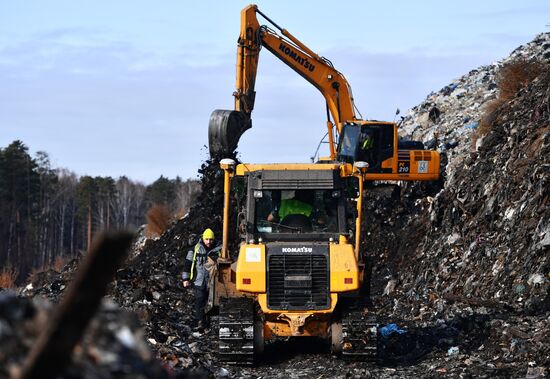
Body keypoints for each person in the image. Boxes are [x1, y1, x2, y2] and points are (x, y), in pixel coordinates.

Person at [182, 228, 221, 330]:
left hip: (214, 282)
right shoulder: (195, 249)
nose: (209, 242)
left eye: (211, 239)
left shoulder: (219, 249)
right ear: (203, 238)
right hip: (199, 281)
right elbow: (187, 264)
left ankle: (208, 323)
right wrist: (185, 279)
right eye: (207, 239)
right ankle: (200, 323)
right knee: (200, 301)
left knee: (211, 303)